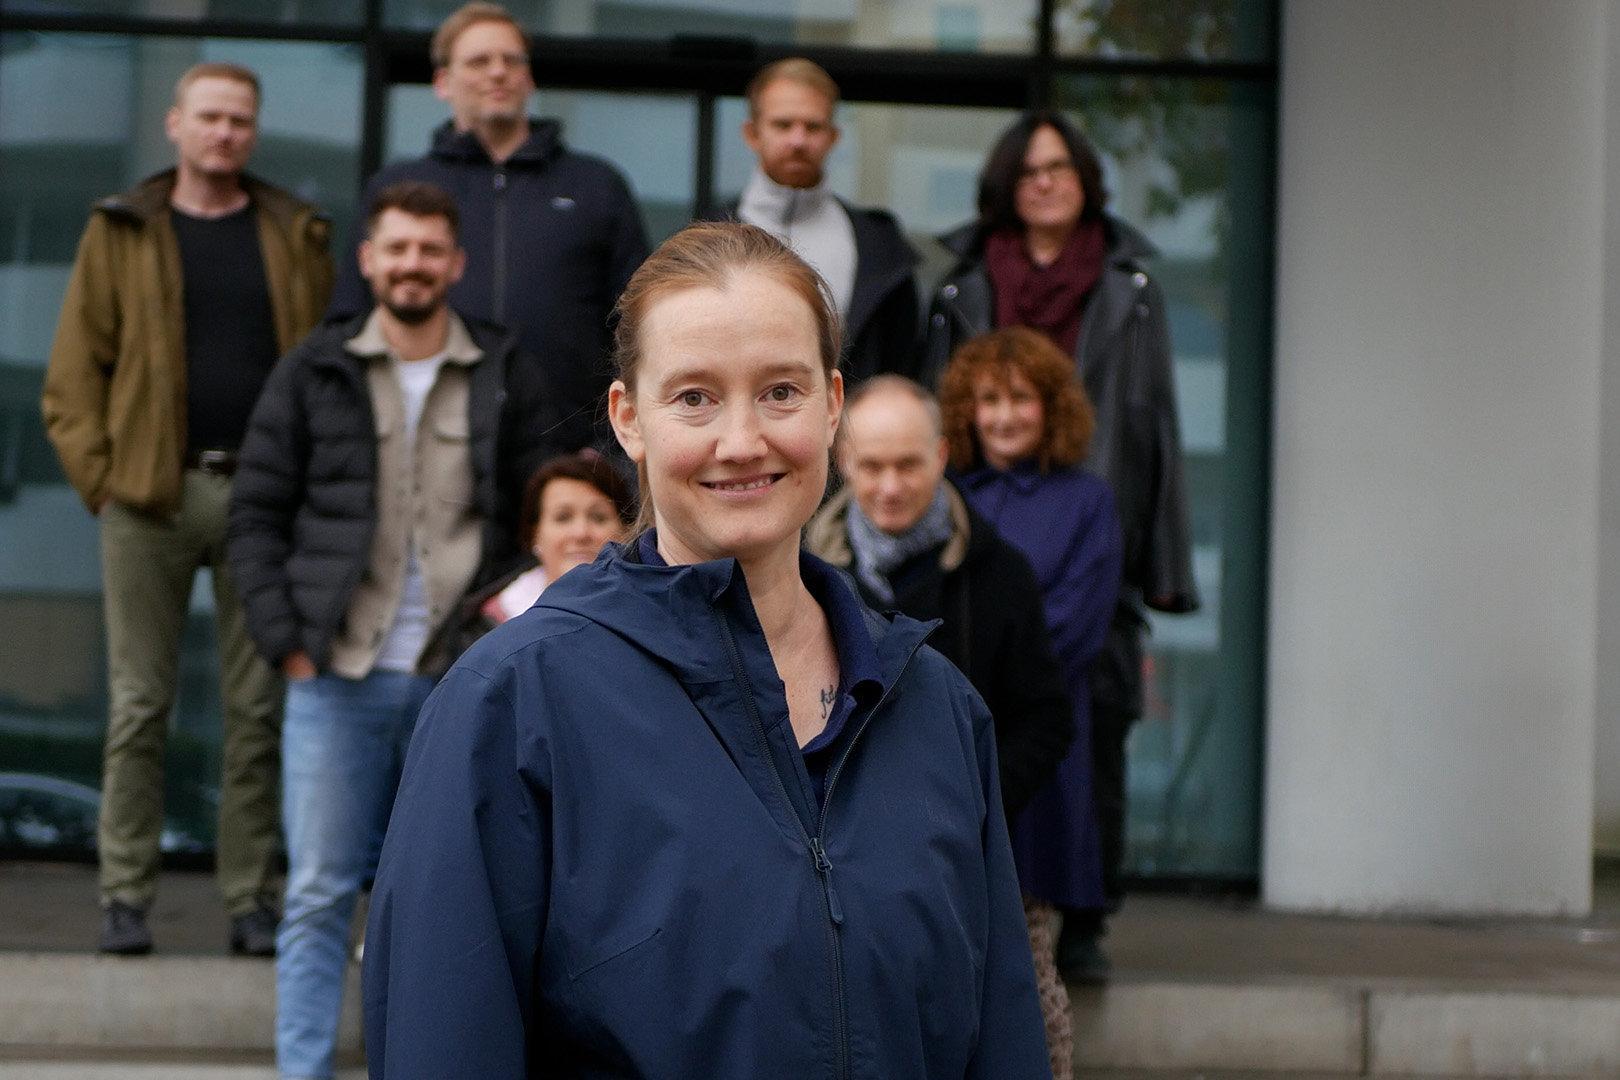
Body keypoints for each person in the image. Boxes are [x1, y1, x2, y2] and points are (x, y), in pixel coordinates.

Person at [361, 222, 1050, 1078]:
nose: (742, 440)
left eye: (781, 391)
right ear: (629, 419)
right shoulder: (512, 704)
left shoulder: (935, 708)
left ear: (832, 405)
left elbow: (1000, 1040)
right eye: (694, 397)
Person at [227, 180, 564, 1080]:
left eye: (430, 249)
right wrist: (287, 642)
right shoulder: (313, 368)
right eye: (398, 248)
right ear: (369, 259)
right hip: (335, 674)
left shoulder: (504, 368)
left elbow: (542, 509)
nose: (413, 264)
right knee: (317, 894)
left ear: (456, 263)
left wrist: (506, 640)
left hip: (463, 677)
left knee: (446, 899)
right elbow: (255, 513)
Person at [40, 61, 333, 957]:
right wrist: (104, 480)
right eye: (209, 116)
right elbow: (71, 376)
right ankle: (124, 897)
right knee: (140, 706)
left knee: (257, 711)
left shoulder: (292, 231)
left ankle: (248, 900)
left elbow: (321, 367)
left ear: (254, 130)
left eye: (239, 119)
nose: (224, 132)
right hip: (150, 496)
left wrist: (307, 479)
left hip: (262, 497)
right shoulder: (123, 227)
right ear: (175, 124)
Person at [925, 110, 1199, 980]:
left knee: (1094, 731)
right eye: (1028, 170)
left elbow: (1155, 422)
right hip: (991, 514)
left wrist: (1164, 562)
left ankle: (1085, 915)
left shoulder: (1130, 287)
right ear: (1005, 186)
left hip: (1092, 530)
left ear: (1086, 182)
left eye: (1060, 168)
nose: (1044, 182)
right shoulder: (962, 286)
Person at [804, 373, 1080, 1076]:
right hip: (827, 859)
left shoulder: (1001, 573)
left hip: (977, 855)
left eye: (908, 465)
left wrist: (969, 805)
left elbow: (1046, 718)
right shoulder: (795, 575)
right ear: (842, 460)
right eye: (871, 466)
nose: (889, 487)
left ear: (942, 455)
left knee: (1019, 1029)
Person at [328, 1, 648, 452]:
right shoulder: (399, 189)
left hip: (569, 455)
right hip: (425, 451)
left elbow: (637, 324)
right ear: (442, 82)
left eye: (511, 61)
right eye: (479, 61)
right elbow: (350, 323)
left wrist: (606, 448)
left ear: (529, 78)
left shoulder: (596, 186)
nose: (498, 72)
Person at [936, 326, 1122, 998]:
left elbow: (1081, 613)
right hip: (948, 703)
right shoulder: (943, 492)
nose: (1004, 416)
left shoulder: (1087, 500)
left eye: (1021, 399)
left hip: (1041, 707)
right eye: (989, 400)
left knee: (1035, 878)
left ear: (1052, 407)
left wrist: (1005, 675)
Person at [725, 57, 921, 383]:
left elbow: (901, 365)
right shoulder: (704, 238)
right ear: (751, 134)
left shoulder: (878, 244)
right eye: (783, 125)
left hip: (853, 414)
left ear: (833, 137)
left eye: (813, 127)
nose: (798, 140)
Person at [475, 451, 633, 625]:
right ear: (534, 533)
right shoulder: (486, 625)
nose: (581, 533)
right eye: (563, 517)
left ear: (627, 531)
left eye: (598, 517)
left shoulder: (649, 614)